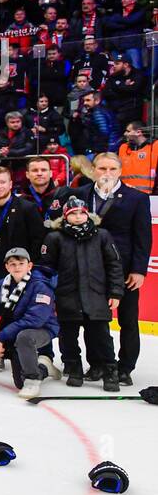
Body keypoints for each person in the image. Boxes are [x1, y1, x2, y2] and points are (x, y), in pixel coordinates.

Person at [68, 153, 150, 386]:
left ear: (120, 171)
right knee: (93, 319)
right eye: (102, 168)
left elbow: (143, 238)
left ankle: (125, 367)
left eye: (112, 169)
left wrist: (139, 270)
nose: (107, 173)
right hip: (89, 268)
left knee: (128, 320)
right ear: (93, 170)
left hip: (123, 271)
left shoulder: (137, 198)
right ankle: (97, 364)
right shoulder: (80, 195)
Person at [41, 197, 124, 391]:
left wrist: (116, 292)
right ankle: (74, 368)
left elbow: (114, 265)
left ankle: (110, 371)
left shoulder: (102, 235)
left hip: (96, 296)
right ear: (65, 217)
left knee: (101, 336)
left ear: (87, 214)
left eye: (81, 213)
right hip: (66, 296)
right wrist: (49, 297)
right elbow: (45, 270)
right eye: (72, 214)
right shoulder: (55, 238)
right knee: (68, 336)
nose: (78, 217)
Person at [0, 166, 44, 370]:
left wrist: (29, 268)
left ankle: (29, 353)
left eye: (2, 182)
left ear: (10, 184)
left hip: (20, 272)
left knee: (22, 313)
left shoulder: (27, 207)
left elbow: (37, 240)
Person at [0, 247, 59, 398]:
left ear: (29, 265)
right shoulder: (1, 285)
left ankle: (32, 381)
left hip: (42, 329)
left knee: (24, 337)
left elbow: (35, 319)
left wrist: (2, 336)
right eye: (12, 264)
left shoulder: (40, 285)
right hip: (15, 331)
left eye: (21, 263)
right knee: (19, 382)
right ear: (6, 267)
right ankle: (44, 367)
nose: (16, 267)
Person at [117, 123, 157, 193]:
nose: (125, 134)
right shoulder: (123, 148)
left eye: (128, 131)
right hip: (124, 194)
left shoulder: (154, 147)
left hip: (149, 195)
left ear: (138, 132)